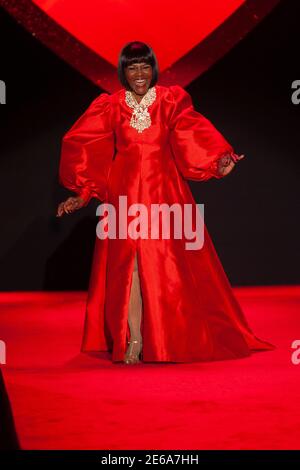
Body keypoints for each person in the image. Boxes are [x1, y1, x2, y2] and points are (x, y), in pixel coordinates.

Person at [56, 41, 275, 365]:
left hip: (165, 193)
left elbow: (191, 131)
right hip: (125, 196)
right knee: (128, 267)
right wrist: (81, 192)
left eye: (145, 66)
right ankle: (134, 338)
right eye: (132, 67)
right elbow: (86, 144)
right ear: (123, 71)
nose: (139, 74)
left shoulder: (171, 100)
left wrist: (216, 159)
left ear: (153, 68)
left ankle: (170, 335)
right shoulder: (111, 106)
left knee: (164, 268)